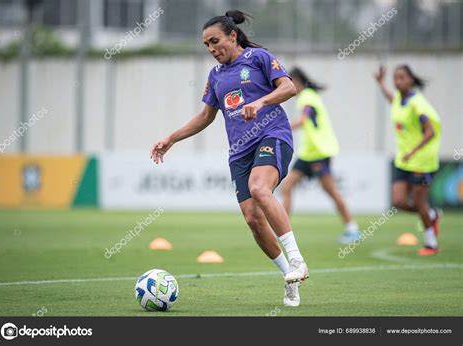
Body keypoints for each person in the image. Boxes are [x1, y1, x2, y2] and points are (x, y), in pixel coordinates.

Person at [150, 10, 308, 306]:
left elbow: (289, 87)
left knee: (260, 189)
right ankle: (290, 278)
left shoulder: (258, 58)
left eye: (215, 41)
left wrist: (260, 102)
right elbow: (206, 117)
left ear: (233, 36)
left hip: (272, 135)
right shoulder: (215, 76)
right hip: (239, 152)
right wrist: (170, 138)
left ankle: (298, 260)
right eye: (206, 45)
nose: (211, 49)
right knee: (252, 219)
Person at [281, 68, 361, 244]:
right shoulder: (306, 97)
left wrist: (280, 128)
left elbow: (303, 120)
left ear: (297, 81)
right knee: (286, 187)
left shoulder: (307, 97)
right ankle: (283, 231)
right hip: (308, 153)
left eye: (289, 82)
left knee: (331, 190)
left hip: (319, 152)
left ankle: (353, 229)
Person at [374, 64, 441, 256]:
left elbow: (430, 131)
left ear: (411, 79)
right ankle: (432, 215)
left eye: (402, 77)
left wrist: (413, 151)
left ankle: (431, 244)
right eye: (395, 78)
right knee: (399, 201)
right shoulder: (398, 99)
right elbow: (391, 99)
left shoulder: (417, 103)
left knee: (420, 202)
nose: (397, 81)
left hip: (421, 161)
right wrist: (380, 83)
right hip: (403, 161)